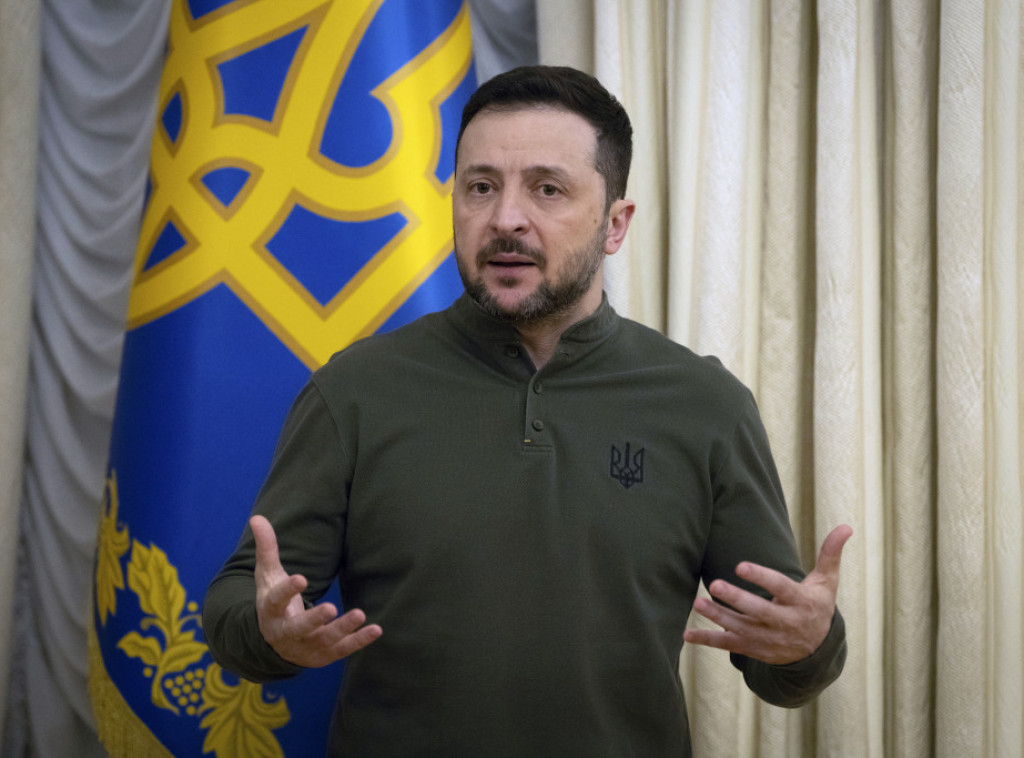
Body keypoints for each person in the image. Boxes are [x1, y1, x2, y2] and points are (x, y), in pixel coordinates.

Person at [204, 65, 850, 757]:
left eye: (547, 189)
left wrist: (811, 644)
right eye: (481, 187)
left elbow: (779, 658)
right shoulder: (354, 390)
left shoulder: (706, 406)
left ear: (615, 224)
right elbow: (241, 597)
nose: (505, 218)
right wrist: (268, 632)